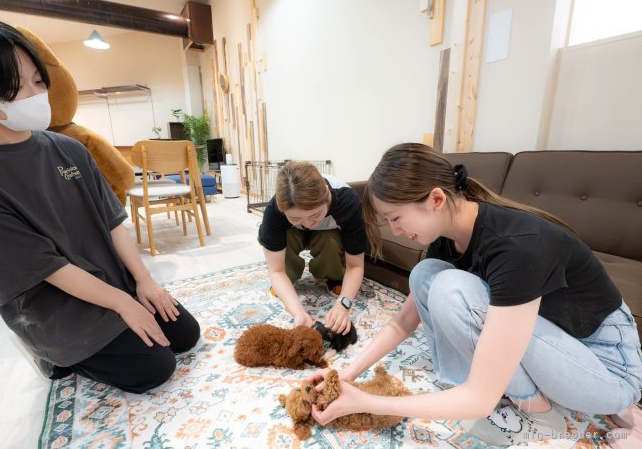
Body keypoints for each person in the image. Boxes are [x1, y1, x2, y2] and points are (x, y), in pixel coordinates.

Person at [0, 14, 200, 394]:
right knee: (154, 368)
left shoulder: (66, 148)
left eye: (38, 81)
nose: (35, 95)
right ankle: (52, 354)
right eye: (16, 87)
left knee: (185, 335)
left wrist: (144, 282)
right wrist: (123, 305)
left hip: (107, 279)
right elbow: (43, 267)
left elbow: (113, 220)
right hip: (53, 303)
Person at [309, 143, 642, 447]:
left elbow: (481, 401)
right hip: (565, 340)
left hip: (608, 366)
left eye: (395, 218)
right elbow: (403, 322)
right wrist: (348, 374)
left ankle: (540, 416)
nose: (395, 231)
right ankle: (510, 391)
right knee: (427, 275)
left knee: (453, 290)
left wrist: (367, 402)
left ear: (436, 200)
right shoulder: (448, 235)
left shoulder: (516, 247)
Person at [258, 161, 367, 335]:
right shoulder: (274, 210)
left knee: (329, 238)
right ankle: (290, 280)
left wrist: (343, 305)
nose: (308, 224)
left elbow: (355, 265)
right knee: (287, 240)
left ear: (326, 194)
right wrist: (298, 312)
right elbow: (276, 270)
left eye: (315, 215)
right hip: (292, 234)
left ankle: (333, 277)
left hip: (329, 233)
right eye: (295, 217)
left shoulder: (347, 201)